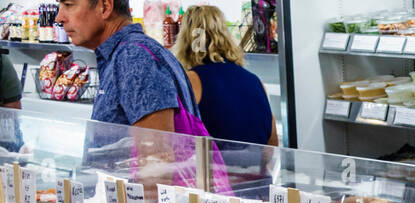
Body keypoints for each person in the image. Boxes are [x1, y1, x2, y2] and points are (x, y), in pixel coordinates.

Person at [57, 0, 199, 133]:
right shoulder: (126, 54)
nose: (59, 18)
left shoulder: (134, 57)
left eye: (69, 4)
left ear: (105, 7)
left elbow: (157, 154)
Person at [176, 5, 278, 147]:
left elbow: (179, 141)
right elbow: (272, 143)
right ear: (225, 35)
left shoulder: (192, 80)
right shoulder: (255, 81)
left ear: (186, 38)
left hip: (215, 168)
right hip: (257, 167)